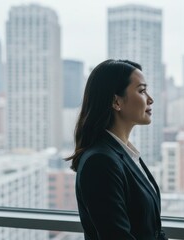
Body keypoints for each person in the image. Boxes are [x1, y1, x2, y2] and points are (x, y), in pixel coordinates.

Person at [65, 59, 167, 240]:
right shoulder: (100, 162)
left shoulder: (125, 154)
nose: (150, 99)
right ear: (116, 101)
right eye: (142, 91)